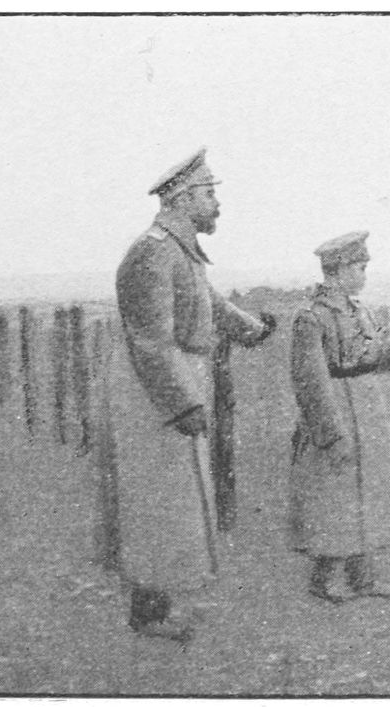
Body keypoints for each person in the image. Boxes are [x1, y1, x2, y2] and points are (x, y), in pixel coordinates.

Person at [109, 147, 276, 641]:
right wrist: (182, 403)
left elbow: (209, 303)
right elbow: (149, 342)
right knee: (157, 499)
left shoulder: (180, 250)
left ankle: (158, 605)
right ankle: (148, 614)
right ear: (182, 199)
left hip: (175, 381)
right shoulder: (153, 252)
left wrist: (252, 330)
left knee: (174, 498)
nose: (216, 205)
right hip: (154, 394)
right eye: (208, 195)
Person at [288, 231, 390, 604]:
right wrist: (330, 434)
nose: (364, 274)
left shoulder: (359, 311)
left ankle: (363, 578)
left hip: (368, 408)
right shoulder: (311, 317)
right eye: (360, 267)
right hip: (336, 410)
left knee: (368, 491)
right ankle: (323, 579)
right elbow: (310, 381)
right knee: (334, 495)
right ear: (339, 269)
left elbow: (377, 357)